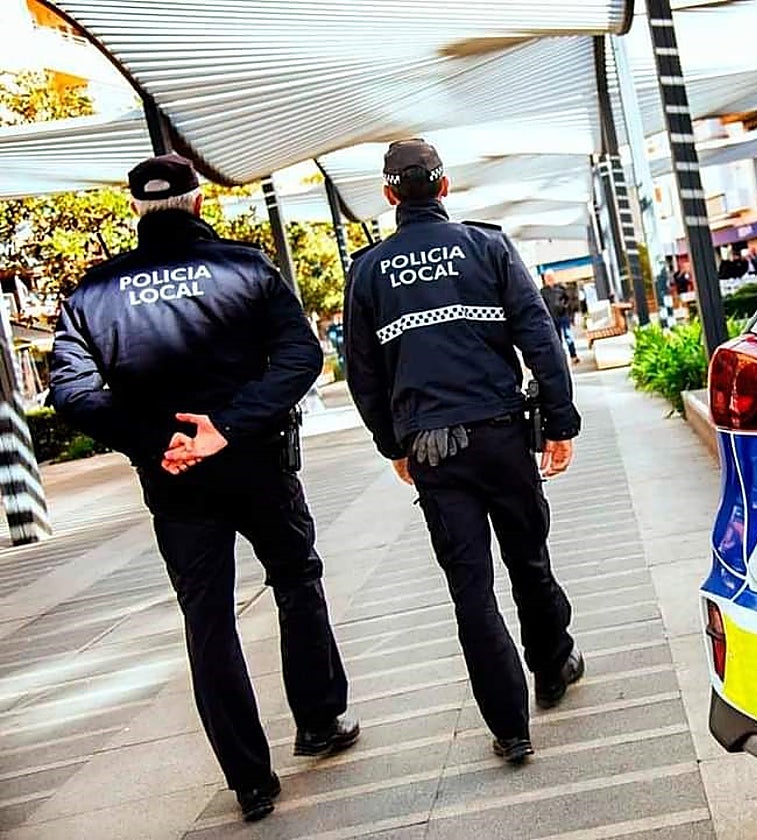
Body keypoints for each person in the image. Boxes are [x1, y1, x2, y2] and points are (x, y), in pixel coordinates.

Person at [48, 154, 358, 823]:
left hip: (174, 479)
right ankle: (318, 723)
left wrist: (157, 439)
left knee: (207, 618)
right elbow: (302, 356)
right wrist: (229, 426)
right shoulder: (245, 268)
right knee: (296, 579)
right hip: (256, 459)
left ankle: (250, 781)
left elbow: (70, 391)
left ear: (137, 210)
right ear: (196, 201)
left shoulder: (93, 293)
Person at [343, 138, 584, 766]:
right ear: (444, 188)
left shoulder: (368, 271)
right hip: (501, 433)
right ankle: (552, 665)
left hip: (432, 449)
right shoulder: (488, 245)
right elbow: (539, 337)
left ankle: (510, 728)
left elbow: (363, 373)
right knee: (527, 557)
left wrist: (391, 444)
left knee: (470, 589)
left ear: (390, 195)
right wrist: (560, 421)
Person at [540, 270, 580, 364]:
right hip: (552, 319)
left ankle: (573, 356)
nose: (550, 279)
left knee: (568, 336)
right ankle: (561, 359)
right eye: (548, 277)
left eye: (551, 277)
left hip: (563, 316)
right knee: (557, 340)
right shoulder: (543, 292)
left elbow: (569, 300)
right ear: (545, 279)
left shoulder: (560, 288)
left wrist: (565, 308)